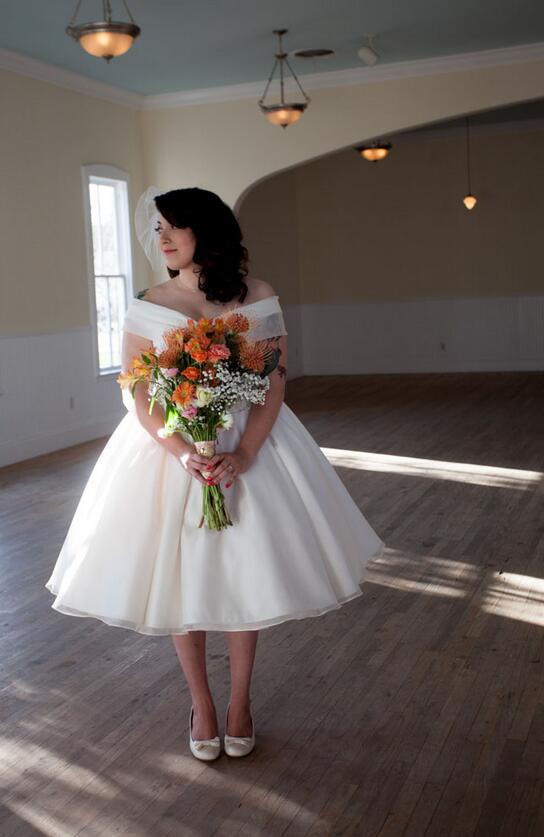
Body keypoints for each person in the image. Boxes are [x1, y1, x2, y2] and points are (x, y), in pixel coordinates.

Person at [45, 186, 385, 762]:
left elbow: (274, 385)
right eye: (156, 230)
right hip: (170, 454)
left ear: (206, 229)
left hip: (248, 446)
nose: (162, 239)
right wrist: (181, 451)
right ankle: (202, 702)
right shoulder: (149, 300)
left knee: (244, 571)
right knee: (180, 579)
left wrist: (245, 453)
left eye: (171, 227)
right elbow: (137, 394)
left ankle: (241, 703)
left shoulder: (258, 296)